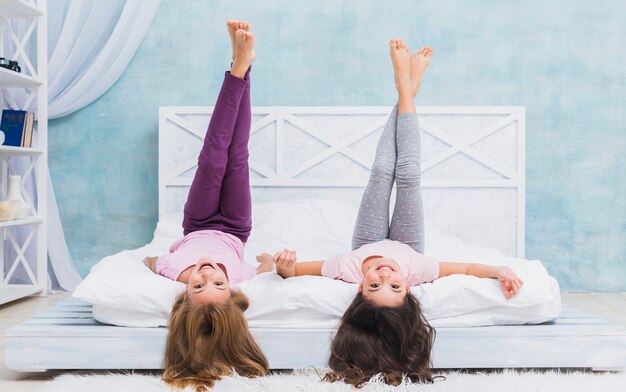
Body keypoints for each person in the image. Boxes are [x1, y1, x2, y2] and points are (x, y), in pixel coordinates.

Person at [264, 39, 524, 387]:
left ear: (359, 287)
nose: (385, 273)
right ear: (409, 288)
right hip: (408, 239)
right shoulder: (418, 269)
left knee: (383, 169)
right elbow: (465, 268)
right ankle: (407, 88)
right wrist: (499, 271)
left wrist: (278, 267)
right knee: (410, 173)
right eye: (394, 284)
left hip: (367, 239)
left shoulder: (345, 268)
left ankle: (405, 87)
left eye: (375, 284)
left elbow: (292, 271)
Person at [144, 20, 270, 390]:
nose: (208, 274)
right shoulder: (239, 277)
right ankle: (242, 67)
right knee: (238, 155)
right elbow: (262, 267)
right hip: (234, 225)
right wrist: (270, 260)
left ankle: (238, 68)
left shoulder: (172, 271)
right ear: (230, 289)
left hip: (197, 222)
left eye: (200, 285)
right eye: (218, 282)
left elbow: (150, 260)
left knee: (214, 156)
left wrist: (153, 263)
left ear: (185, 295)